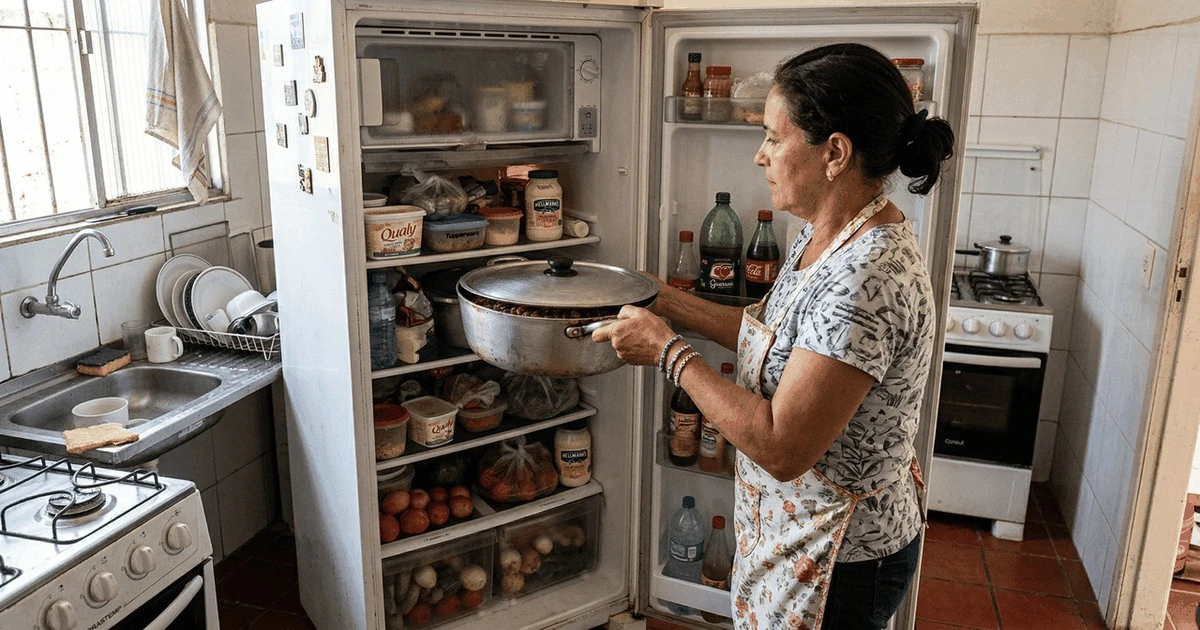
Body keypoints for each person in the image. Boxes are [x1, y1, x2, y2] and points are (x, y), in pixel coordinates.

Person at [593, 43, 955, 629]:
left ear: (834, 152)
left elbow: (784, 445)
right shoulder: (823, 235)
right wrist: (658, 296)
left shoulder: (865, 277)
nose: (760, 156)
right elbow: (769, 336)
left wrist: (668, 351)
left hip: (842, 554)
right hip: (797, 531)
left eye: (773, 138)